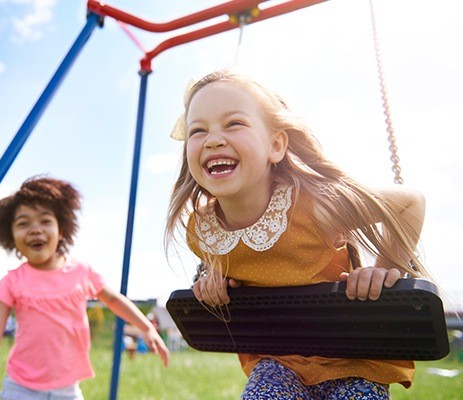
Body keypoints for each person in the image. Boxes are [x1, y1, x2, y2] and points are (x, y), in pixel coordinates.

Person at [164, 70, 431, 399]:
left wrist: (384, 267)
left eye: (233, 124)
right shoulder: (202, 231)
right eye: (198, 130)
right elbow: (236, 266)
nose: (213, 139)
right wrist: (214, 281)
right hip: (279, 357)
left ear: (275, 145)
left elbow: (409, 203)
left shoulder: (314, 207)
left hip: (354, 357)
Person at [0, 176, 169, 400]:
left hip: (67, 390)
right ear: (11, 236)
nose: (35, 230)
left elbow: (114, 300)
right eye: (23, 223)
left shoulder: (81, 272)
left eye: (45, 221)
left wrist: (147, 328)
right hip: (20, 388)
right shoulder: (12, 282)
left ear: (61, 230)